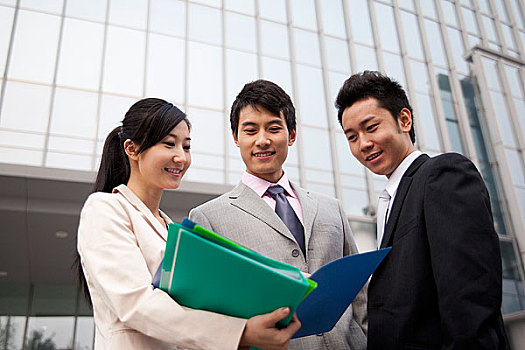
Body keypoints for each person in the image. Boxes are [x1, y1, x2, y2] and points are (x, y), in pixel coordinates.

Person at [76, 98, 301, 349]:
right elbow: (135, 304)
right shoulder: (105, 209)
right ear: (132, 149)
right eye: (169, 144)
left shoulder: (172, 229)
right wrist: (241, 333)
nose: (180, 157)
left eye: (187, 147)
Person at [335, 71, 510, 349]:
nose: (363, 144)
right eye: (352, 137)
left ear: (404, 120)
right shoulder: (389, 201)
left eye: (371, 127)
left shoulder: (443, 174)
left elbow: (469, 300)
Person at [189, 80, 367, 350]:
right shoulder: (208, 218)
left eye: (273, 128)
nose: (263, 140)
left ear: (291, 134)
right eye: (250, 130)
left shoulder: (332, 208)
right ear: (236, 137)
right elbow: (205, 315)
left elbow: (360, 297)